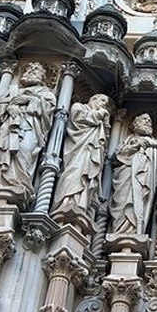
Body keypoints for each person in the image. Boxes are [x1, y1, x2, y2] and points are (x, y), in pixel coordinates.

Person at [0, 62, 57, 197]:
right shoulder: (14, 90)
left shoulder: (47, 94)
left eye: (36, 70)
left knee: (24, 150)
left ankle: (21, 183)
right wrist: (8, 107)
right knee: (2, 152)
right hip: (8, 127)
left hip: (30, 127)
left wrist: (30, 100)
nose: (32, 72)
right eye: (29, 70)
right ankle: (0, 182)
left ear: (42, 77)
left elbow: (48, 112)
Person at [52, 94, 112, 227]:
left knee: (87, 180)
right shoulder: (79, 107)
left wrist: (105, 124)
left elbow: (105, 140)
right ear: (93, 99)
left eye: (106, 103)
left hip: (92, 153)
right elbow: (78, 119)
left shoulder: (102, 119)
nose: (104, 104)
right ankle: (66, 202)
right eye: (102, 100)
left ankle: (82, 205)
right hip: (77, 150)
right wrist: (99, 115)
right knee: (74, 173)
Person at [110, 114, 157, 235]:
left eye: (149, 121)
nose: (147, 122)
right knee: (122, 202)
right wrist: (135, 146)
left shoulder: (155, 143)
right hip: (126, 176)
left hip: (144, 179)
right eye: (144, 119)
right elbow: (115, 157)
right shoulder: (128, 140)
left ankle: (136, 231)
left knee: (140, 201)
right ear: (135, 124)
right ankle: (121, 231)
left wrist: (152, 148)